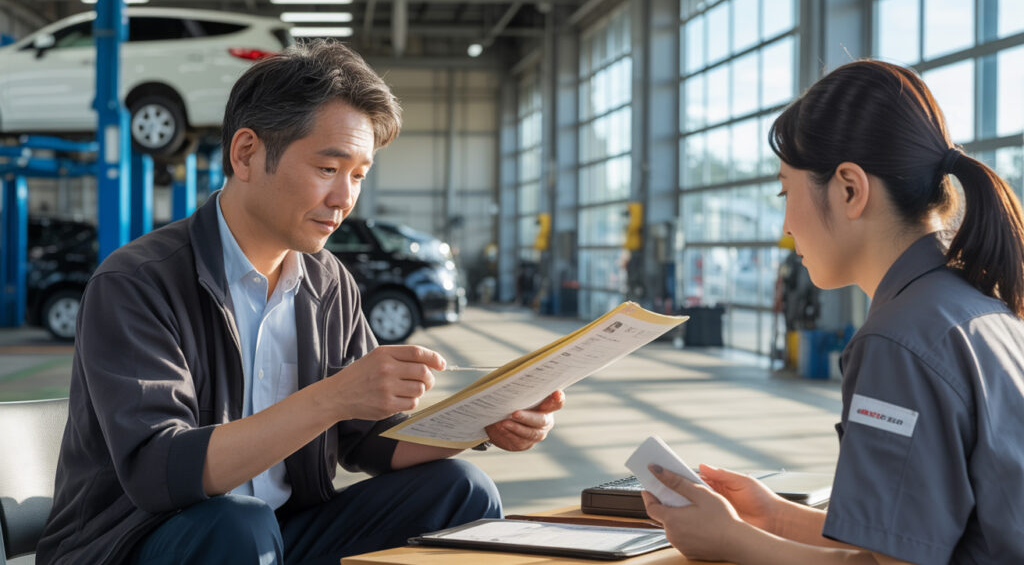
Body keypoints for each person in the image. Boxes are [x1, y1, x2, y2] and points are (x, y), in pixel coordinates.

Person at [37, 40, 564, 565]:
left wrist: (483, 422)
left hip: (278, 535)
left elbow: (369, 441)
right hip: (137, 542)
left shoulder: (328, 283)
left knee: (462, 489)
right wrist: (333, 397)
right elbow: (158, 473)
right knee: (238, 524)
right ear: (246, 153)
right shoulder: (137, 282)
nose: (344, 199)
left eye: (358, 175)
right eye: (328, 169)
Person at [642, 59, 1024, 564]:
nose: (785, 225)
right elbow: (910, 539)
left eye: (786, 192)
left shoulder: (897, 341)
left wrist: (731, 541)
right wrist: (771, 516)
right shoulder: (978, 304)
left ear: (850, 189)